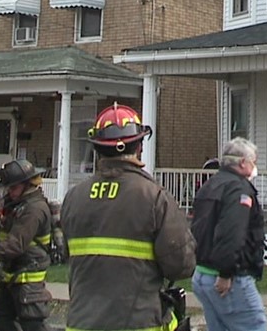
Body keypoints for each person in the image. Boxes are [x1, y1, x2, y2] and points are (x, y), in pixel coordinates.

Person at [60, 104, 196, 331]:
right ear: (139, 146)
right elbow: (181, 264)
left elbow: (68, 253)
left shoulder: (74, 197)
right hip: (137, 323)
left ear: (97, 149)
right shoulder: (154, 196)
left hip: (81, 324)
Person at [191, 138, 267, 331]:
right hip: (227, 279)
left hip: (201, 274)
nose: (255, 167)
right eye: (253, 161)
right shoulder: (238, 189)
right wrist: (226, 272)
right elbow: (232, 232)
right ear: (243, 162)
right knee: (255, 326)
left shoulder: (210, 185)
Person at [0, 159, 52, 331]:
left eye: (14, 188)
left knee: (32, 324)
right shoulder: (15, 205)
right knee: (1, 322)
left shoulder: (34, 209)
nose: (10, 192)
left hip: (28, 279)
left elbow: (16, 244)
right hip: (9, 276)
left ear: (27, 185)